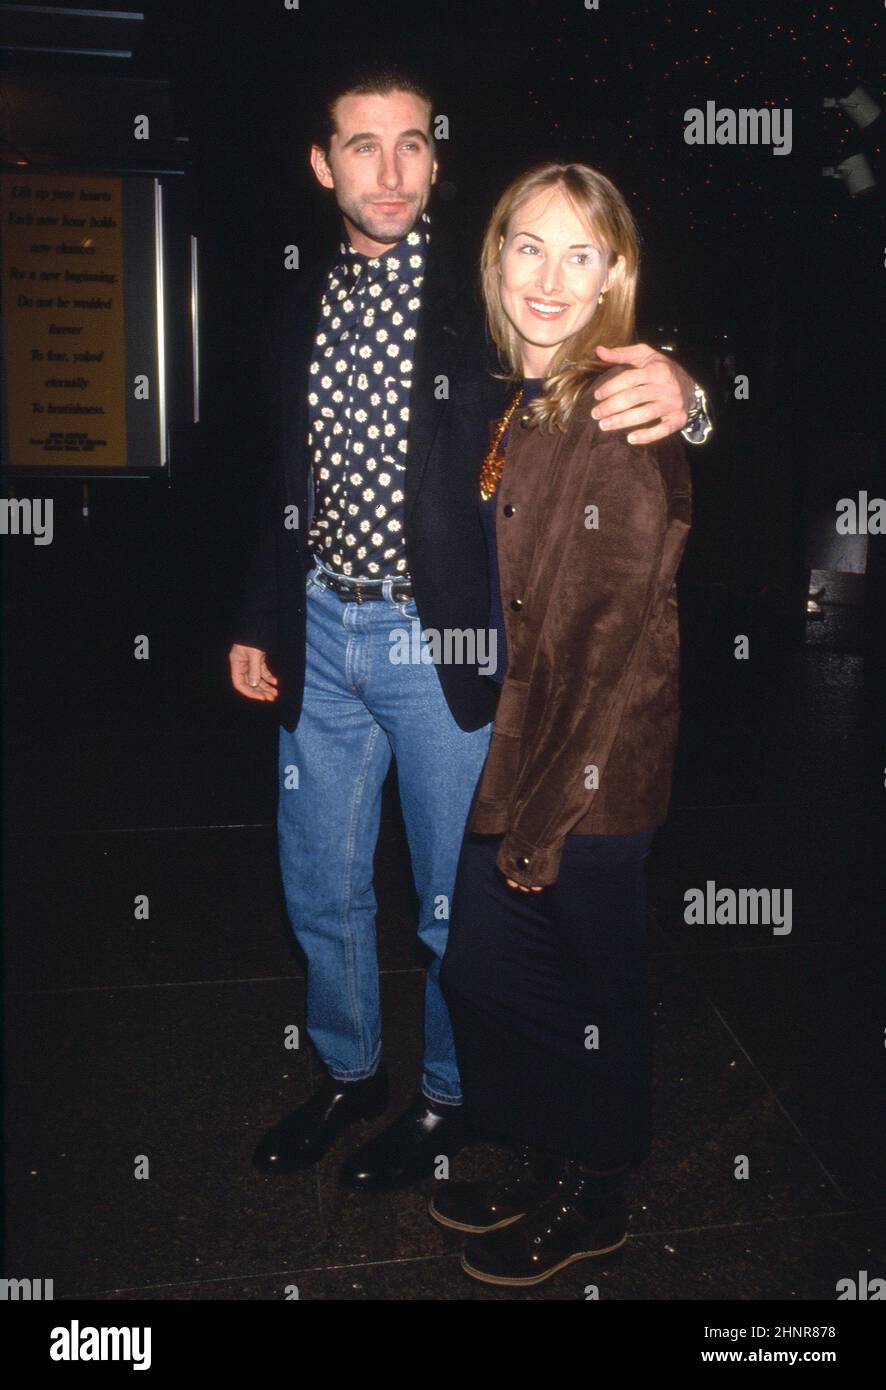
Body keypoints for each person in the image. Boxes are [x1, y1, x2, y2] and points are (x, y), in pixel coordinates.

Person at [229, 65, 708, 1193]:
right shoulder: (292, 300)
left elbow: (601, 341)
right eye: (361, 146)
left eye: (411, 145)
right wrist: (260, 616)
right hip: (317, 624)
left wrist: (696, 389)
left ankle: (451, 1099)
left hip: (436, 639)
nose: (388, 170)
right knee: (321, 884)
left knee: (457, 908)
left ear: (437, 161)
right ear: (322, 164)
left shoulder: (492, 289)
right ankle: (349, 1075)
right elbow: (278, 479)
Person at [436, 161, 692, 1286]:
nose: (549, 275)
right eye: (528, 246)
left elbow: (597, 649)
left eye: (578, 253)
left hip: (588, 773)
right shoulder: (528, 394)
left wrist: (546, 814)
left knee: (590, 993)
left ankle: (596, 1194)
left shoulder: (617, 412)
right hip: (527, 754)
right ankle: (554, 1156)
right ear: (496, 261)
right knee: (497, 979)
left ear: (612, 278)